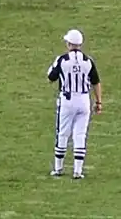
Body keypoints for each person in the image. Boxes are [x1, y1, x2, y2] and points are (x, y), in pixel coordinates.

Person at [47, 29, 102, 180]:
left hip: (67, 99)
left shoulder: (62, 59)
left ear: (69, 44)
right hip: (84, 100)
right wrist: (98, 102)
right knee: (80, 134)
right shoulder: (88, 61)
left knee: (63, 133)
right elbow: (96, 82)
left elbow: (51, 77)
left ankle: (59, 168)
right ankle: (78, 171)